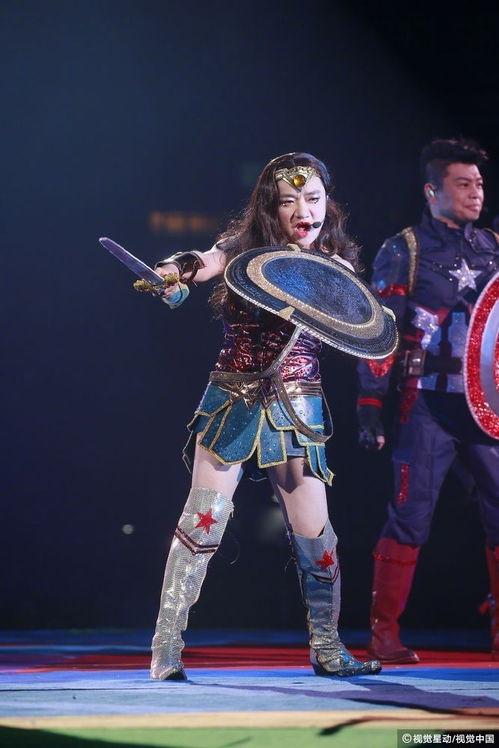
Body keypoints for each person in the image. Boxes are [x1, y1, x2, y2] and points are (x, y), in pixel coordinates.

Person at [149, 152, 382, 680]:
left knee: (316, 534)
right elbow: (202, 261)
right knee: (203, 520)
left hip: (297, 407)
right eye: (289, 201)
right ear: (269, 207)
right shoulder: (242, 249)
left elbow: (360, 326)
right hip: (233, 397)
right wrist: (170, 275)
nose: (304, 211)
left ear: (328, 204)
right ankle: (165, 649)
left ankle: (328, 648)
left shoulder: (337, 268)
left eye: (314, 199)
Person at [357, 138, 499, 663]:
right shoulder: (405, 249)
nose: (476, 193)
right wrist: (370, 405)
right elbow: (378, 333)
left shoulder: (493, 247)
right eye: (463, 184)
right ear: (432, 191)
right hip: (425, 407)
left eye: (479, 183)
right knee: (410, 516)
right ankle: (384, 634)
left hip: (486, 409)